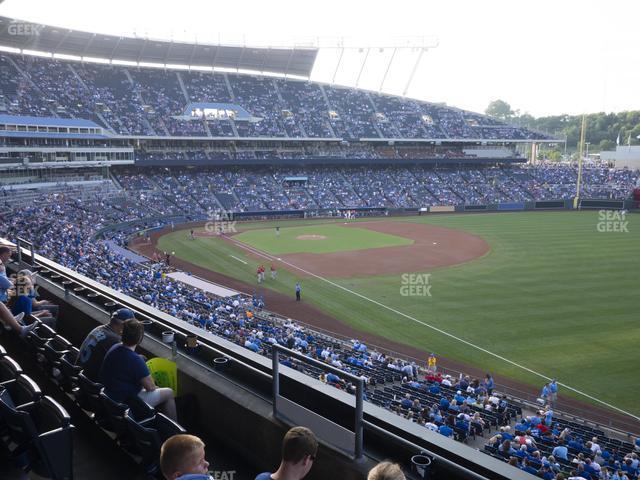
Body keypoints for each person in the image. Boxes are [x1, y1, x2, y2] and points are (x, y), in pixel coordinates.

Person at [100, 319, 177, 420]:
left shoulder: (114, 347)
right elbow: (151, 387)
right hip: (126, 402)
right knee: (169, 392)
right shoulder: (135, 360)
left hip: (110, 397)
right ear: (140, 339)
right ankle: (174, 432)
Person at [76, 308, 133, 381]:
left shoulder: (99, 328)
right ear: (124, 325)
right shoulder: (115, 340)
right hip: (88, 383)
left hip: (78, 373)